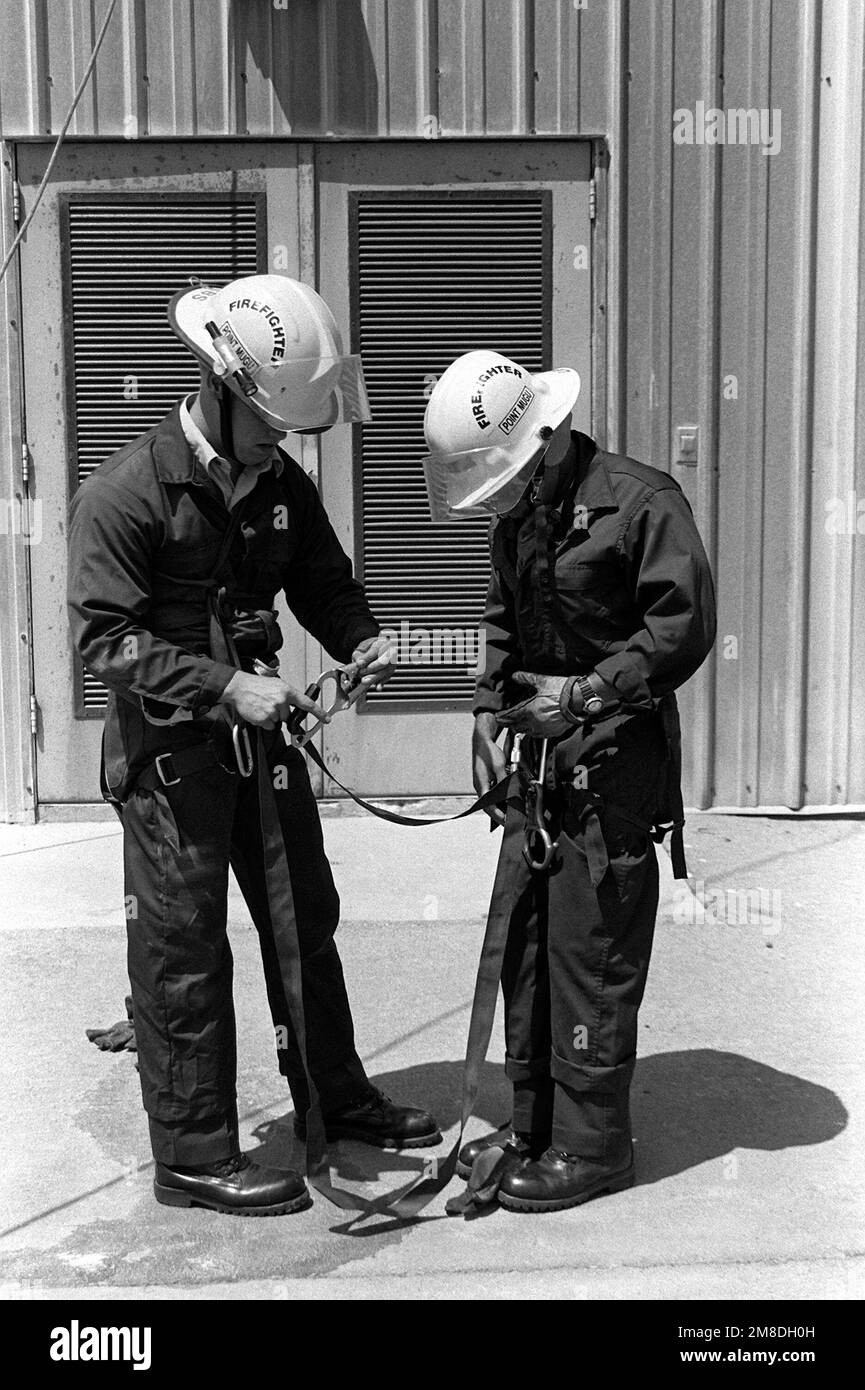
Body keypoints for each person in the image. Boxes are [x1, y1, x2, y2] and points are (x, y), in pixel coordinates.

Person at [68, 274, 440, 1217]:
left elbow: (321, 578)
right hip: (170, 763)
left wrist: (360, 638)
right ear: (221, 389)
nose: (286, 444)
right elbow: (105, 640)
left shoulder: (280, 480)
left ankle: (336, 1095)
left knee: (301, 919)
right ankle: (193, 1155)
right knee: (182, 951)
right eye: (275, 424)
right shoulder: (124, 494)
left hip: (262, 745)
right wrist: (224, 684)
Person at [423, 349, 716, 1212]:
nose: (497, 496)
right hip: (536, 763)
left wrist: (586, 695)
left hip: (613, 763)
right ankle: (533, 1122)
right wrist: (487, 704)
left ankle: (591, 1149)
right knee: (526, 942)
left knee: (590, 949)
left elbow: (685, 625)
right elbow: (505, 615)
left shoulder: (640, 501)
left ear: (545, 439)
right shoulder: (519, 512)